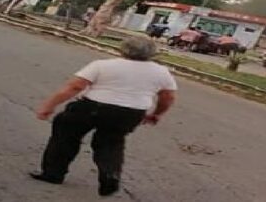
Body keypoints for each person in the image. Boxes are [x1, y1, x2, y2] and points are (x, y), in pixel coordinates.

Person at [31, 37, 177, 196]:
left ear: (123, 49)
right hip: (131, 112)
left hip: (92, 106)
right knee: (111, 142)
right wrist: (156, 114)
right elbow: (168, 96)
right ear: (152, 53)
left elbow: (75, 86)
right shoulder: (161, 71)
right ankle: (110, 173)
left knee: (65, 134)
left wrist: (49, 106)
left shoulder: (103, 65)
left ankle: (53, 173)